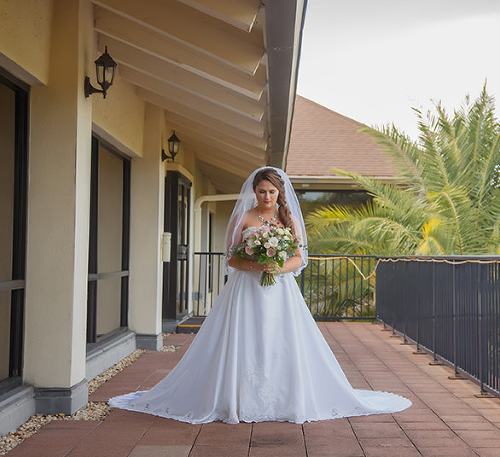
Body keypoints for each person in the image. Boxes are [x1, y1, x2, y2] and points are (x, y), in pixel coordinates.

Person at [109, 166, 411, 424]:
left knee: (281, 340)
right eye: (262, 191)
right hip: (246, 289)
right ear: (254, 191)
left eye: (272, 192)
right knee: (246, 338)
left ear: (280, 193)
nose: (267, 197)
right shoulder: (244, 218)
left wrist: (277, 269)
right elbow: (231, 258)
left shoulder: (289, 221)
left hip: (280, 292)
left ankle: (286, 398)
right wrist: (256, 264)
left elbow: (299, 258)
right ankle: (236, 398)